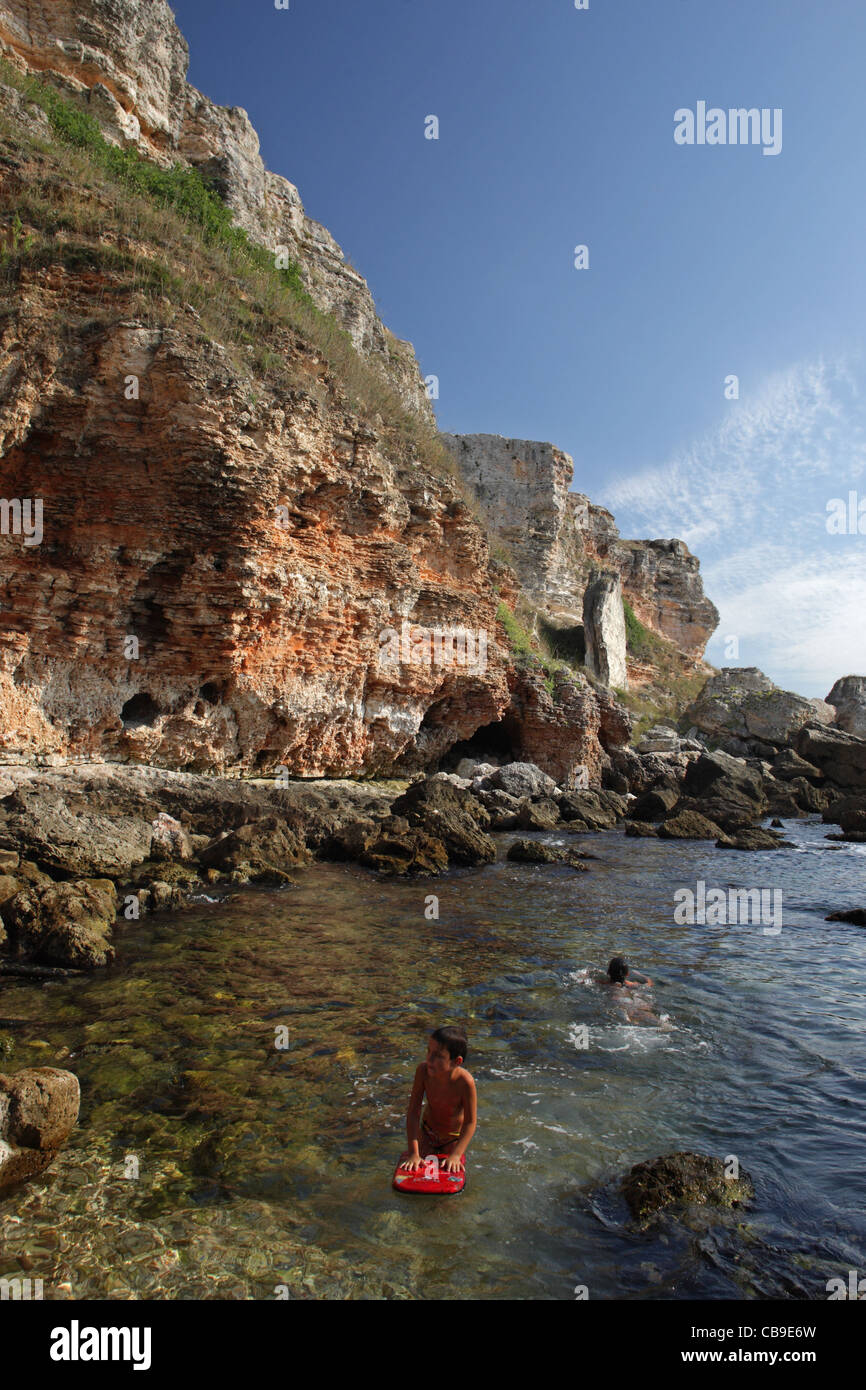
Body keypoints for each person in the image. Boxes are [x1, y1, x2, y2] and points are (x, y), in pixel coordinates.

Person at [399, 1026, 477, 1175]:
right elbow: (414, 1113)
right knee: (414, 1174)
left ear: (456, 1061)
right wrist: (413, 1153)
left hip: (451, 1140)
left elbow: (470, 1122)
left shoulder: (465, 1082)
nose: (429, 1059)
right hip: (427, 1134)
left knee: (450, 1179)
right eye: (428, 1051)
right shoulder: (423, 1072)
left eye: (438, 1056)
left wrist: (456, 1155)